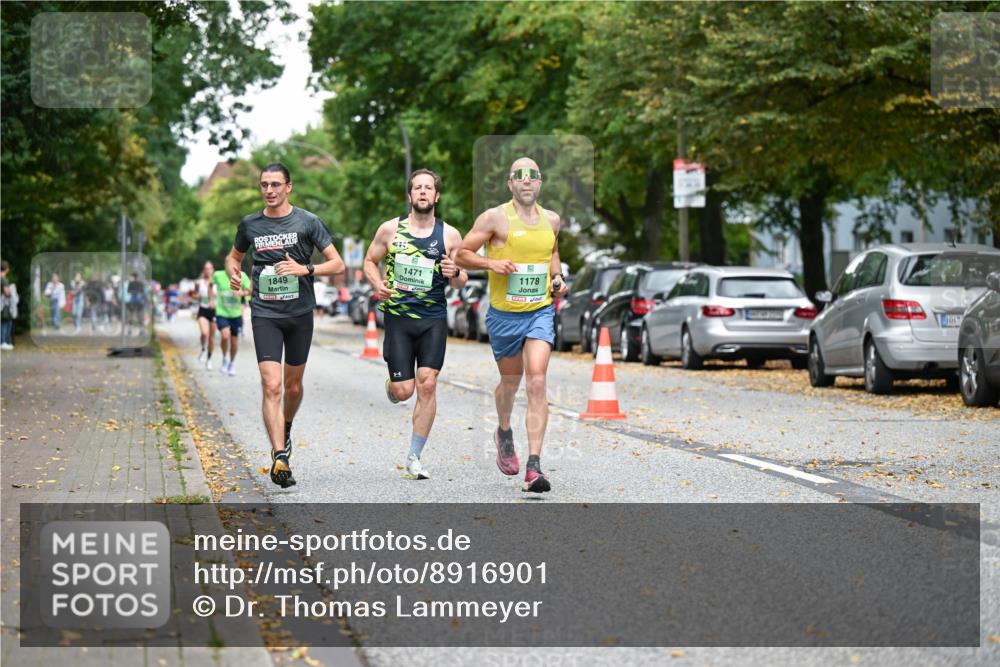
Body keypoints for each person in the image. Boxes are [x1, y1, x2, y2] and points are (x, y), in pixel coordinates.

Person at [225, 162, 345, 488]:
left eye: (276, 184)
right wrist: (233, 270)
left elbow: (337, 263)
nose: (269, 190)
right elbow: (234, 256)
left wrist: (305, 269)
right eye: (264, 184)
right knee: (272, 385)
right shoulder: (250, 224)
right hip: (265, 313)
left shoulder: (307, 222)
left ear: (288, 187)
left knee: (292, 387)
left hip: (299, 314)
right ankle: (280, 457)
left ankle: (286, 425)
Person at [456, 157, 568, 493]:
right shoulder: (494, 218)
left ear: (540, 183)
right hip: (504, 315)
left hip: (539, 312)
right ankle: (504, 430)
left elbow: (552, 253)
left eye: (532, 177)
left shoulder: (552, 220)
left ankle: (534, 467)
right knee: (510, 382)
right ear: (510, 184)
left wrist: (558, 277)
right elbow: (462, 254)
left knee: (536, 381)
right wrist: (492, 262)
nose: (527, 182)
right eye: (519, 177)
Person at [363, 169, 468, 480]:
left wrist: (455, 271)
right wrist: (376, 284)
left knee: (428, 383)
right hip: (398, 319)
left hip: (433, 318)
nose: (423, 192)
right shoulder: (390, 230)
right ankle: (393, 387)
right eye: (417, 188)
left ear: (436, 196)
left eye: (428, 188)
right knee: (405, 390)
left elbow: (461, 282)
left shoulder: (450, 235)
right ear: (410, 196)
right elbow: (370, 260)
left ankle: (414, 457)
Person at [212, 263, 251, 376]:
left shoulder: (242, 276)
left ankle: (232, 363)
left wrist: (241, 293)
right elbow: (210, 284)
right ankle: (225, 358)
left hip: (236, 314)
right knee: (225, 336)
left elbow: (250, 290)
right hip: (222, 312)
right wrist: (210, 299)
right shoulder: (218, 275)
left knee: (234, 342)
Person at [192, 261, 217, 369]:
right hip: (202, 309)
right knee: (204, 333)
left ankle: (209, 359)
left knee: (212, 338)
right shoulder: (199, 282)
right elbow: (194, 294)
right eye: (206, 269)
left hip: (214, 310)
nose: (208, 271)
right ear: (203, 270)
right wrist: (196, 296)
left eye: (210, 268)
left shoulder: (217, 282)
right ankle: (203, 348)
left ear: (213, 270)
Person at [1, 260, 16, 350]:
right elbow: (6, 292)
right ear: (7, 269)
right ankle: (3, 342)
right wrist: (11, 292)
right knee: (6, 322)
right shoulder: (4, 279)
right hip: (4, 304)